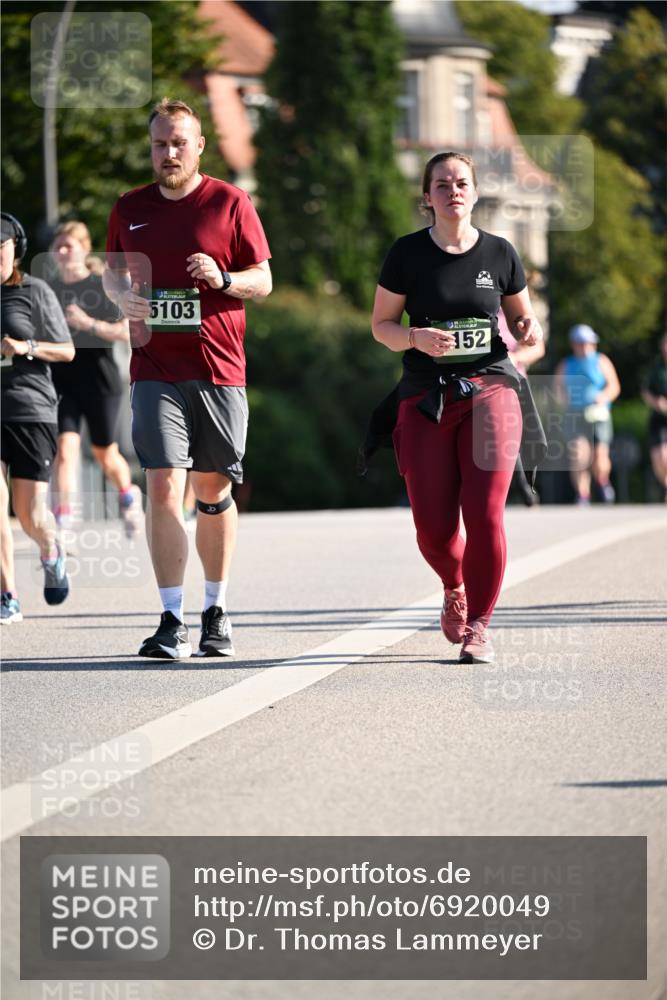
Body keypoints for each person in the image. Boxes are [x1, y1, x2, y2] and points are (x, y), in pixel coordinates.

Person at [103, 97, 272, 659]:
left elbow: (264, 281)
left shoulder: (230, 201)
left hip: (219, 371)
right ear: (150, 148)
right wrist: (121, 295)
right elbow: (110, 274)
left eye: (179, 142)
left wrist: (224, 278)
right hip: (154, 369)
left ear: (199, 145)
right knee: (160, 484)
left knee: (212, 489)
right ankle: (171, 618)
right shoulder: (129, 207)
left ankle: (216, 611)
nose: (169, 152)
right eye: (160, 144)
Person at [370, 151, 544, 664]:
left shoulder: (500, 252)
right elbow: (381, 327)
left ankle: (481, 626)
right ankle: (454, 584)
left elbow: (524, 323)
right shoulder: (406, 254)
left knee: (486, 513)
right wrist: (414, 338)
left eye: (461, 182)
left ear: (474, 190)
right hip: (426, 397)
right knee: (433, 527)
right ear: (428, 197)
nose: (453, 190)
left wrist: (527, 331)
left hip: (492, 388)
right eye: (441, 184)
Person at [1, 212, 75, 623]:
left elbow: (67, 351)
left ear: (16, 250)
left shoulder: (34, 291)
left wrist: (25, 346)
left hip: (30, 410)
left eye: (0, 246)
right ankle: (7, 594)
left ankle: (51, 549)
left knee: (30, 517)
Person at [48, 221, 140, 539]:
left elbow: (128, 331)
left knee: (105, 454)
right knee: (65, 449)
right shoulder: (48, 290)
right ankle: (63, 522)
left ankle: (128, 496)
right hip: (62, 383)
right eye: (57, 246)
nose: (61, 251)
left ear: (85, 249)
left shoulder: (101, 286)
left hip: (101, 382)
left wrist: (88, 324)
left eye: (68, 245)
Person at [554, 324, 620, 505]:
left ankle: (602, 481)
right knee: (578, 455)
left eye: (587, 342)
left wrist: (604, 397)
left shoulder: (601, 361)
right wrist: (563, 399)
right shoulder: (566, 364)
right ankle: (583, 495)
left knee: (600, 456)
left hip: (598, 413)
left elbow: (614, 386)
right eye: (580, 343)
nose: (584, 346)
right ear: (574, 344)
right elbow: (558, 389)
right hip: (574, 414)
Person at [641, 332, 667, 501]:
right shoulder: (657, 369)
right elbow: (645, 391)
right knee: (659, 459)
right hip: (658, 420)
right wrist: (656, 402)